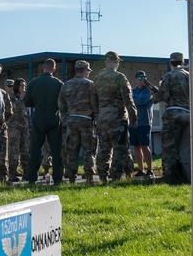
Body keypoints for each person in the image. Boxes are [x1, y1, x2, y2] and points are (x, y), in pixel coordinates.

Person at [94, 51, 137, 184]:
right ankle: (116, 176)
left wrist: (98, 114)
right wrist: (133, 117)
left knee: (104, 148)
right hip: (117, 118)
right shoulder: (119, 77)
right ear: (115, 62)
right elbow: (128, 99)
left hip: (102, 118)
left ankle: (102, 176)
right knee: (120, 148)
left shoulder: (97, 78)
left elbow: (93, 99)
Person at [58, 59, 98, 184]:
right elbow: (95, 103)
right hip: (87, 120)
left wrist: (65, 119)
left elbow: (61, 104)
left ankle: (71, 177)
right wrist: (96, 116)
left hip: (72, 120)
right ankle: (89, 176)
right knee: (89, 150)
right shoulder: (90, 84)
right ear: (85, 70)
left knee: (72, 150)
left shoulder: (66, 85)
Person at [25, 58, 64, 185]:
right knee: (56, 150)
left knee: (35, 149)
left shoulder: (33, 83)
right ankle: (57, 178)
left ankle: (32, 177)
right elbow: (63, 103)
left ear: (42, 68)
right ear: (54, 69)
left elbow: (27, 101)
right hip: (54, 116)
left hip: (39, 116)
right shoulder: (58, 83)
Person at [156, 51, 191, 184]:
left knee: (169, 148)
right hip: (187, 115)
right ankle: (186, 176)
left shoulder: (168, 76)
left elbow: (163, 95)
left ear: (170, 63)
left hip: (172, 115)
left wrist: (155, 96)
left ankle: (169, 178)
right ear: (182, 63)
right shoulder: (190, 77)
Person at [132, 71, 158, 178]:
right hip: (133, 122)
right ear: (136, 79)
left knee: (144, 146)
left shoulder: (148, 91)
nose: (141, 80)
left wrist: (132, 101)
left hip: (145, 122)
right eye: (139, 78)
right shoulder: (132, 90)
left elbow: (140, 101)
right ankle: (140, 169)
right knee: (136, 147)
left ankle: (150, 170)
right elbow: (128, 101)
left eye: (143, 78)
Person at [6, 78, 29, 182]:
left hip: (24, 127)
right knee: (14, 151)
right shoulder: (12, 97)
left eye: (24, 86)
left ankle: (26, 172)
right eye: (21, 86)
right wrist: (21, 98)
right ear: (16, 87)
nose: (23, 88)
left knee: (25, 151)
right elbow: (14, 108)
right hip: (14, 128)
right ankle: (11, 173)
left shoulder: (25, 98)